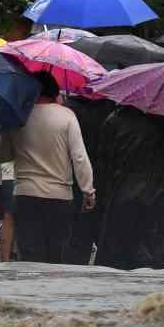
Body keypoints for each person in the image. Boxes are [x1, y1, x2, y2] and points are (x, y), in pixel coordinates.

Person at [0, 72, 94, 263]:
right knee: (56, 258)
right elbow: (79, 157)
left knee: (30, 258)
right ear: (54, 91)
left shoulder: (18, 116)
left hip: (25, 196)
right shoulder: (66, 116)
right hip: (59, 198)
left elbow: (3, 157)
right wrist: (88, 190)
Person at [94, 105, 164, 270]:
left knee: (115, 264)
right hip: (156, 201)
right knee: (152, 268)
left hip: (120, 197)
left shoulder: (114, 120)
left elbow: (103, 162)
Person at [63, 94, 117, 265]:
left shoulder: (70, 108)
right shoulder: (111, 110)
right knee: (101, 231)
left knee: (74, 233)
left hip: (71, 177)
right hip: (103, 177)